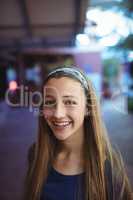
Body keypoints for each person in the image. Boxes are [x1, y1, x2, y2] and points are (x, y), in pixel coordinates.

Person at [24, 66, 132, 200]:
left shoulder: (109, 168)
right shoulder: (36, 153)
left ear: (87, 108)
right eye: (50, 102)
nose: (58, 114)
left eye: (69, 102)